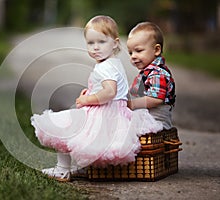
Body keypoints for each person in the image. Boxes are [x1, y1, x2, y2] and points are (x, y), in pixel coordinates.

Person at [31, 16, 163, 182]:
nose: (95, 48)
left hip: (105, 115)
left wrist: (88, 100)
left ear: (115, 43)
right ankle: (84, 168)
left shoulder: (106, 66)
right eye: (90, 43)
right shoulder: (113, 62)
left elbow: (109, 92)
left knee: (64, 126)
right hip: (115, 113)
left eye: (101, 42)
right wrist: (89, 93)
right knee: (80, 137)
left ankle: (62, 169)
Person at [126, 22, 176, 129]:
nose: (133, 56)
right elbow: (133, 92)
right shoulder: (146, 73)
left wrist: (132, 104)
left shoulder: (157, 73)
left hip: (156, 122)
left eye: (138, 51)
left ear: (156, 50)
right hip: (146, 117)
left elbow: (156, 99)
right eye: (130, 53)